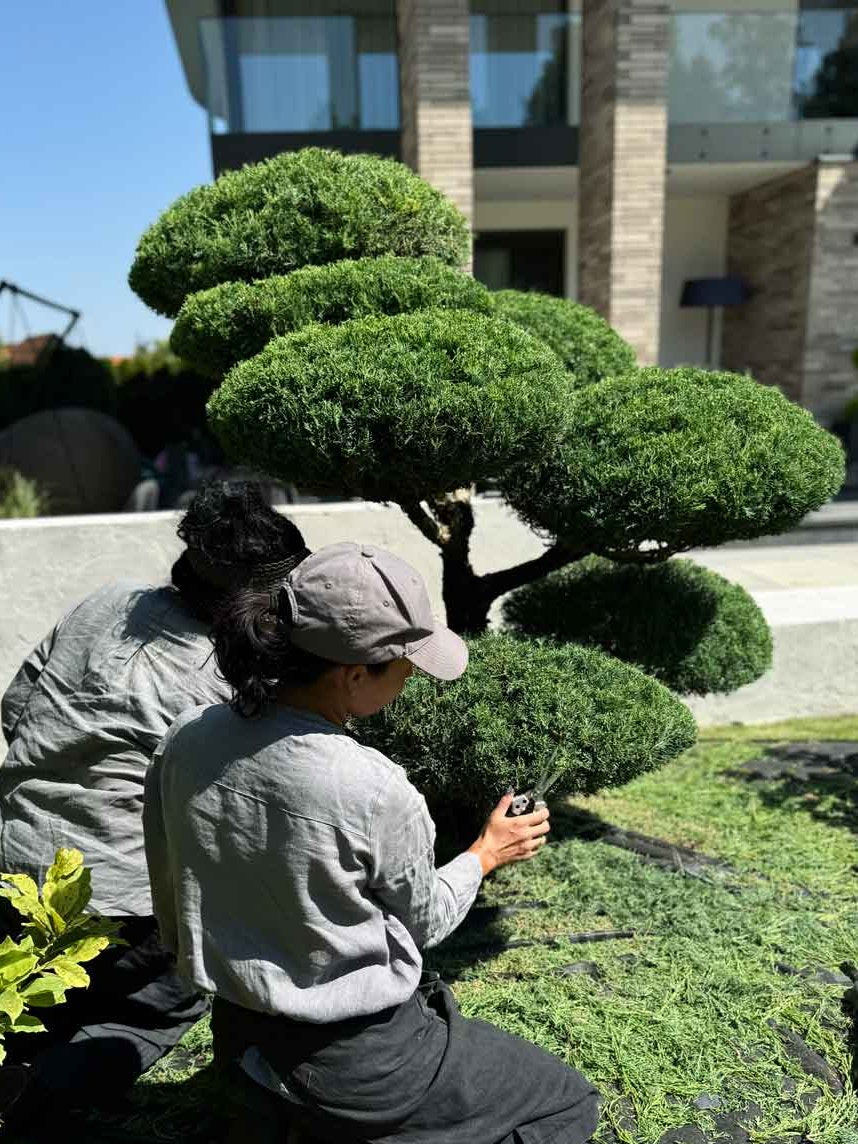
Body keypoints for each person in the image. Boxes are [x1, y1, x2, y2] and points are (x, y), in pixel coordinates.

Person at [144, 541, 600, 1144]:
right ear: (355, 675)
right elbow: (426, 921)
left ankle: (286, 1112)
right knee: (568, 1103)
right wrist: (486, 853)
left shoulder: (187, 737)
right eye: (406, 667)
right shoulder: (373, 788)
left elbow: (167, 883)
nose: (411, 680)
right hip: (361, 1061)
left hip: (239, 1036)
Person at [0, 480, 310, 1132]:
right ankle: (39, 1096)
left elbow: (15, 706)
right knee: (166, 997)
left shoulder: (106, 601)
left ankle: (31, 1059)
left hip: (14, 856)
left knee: (38, 987)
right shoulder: (232, 676)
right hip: (120, 893)